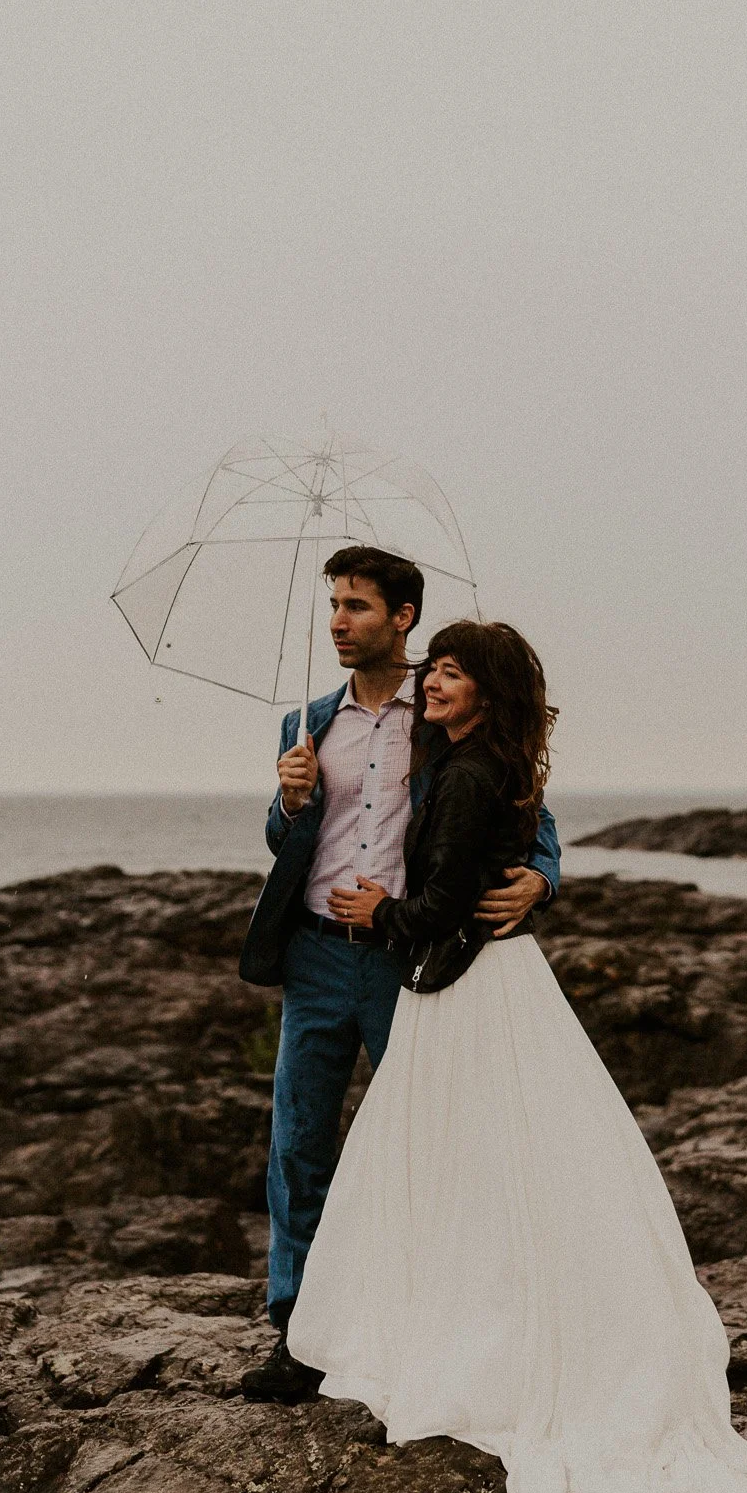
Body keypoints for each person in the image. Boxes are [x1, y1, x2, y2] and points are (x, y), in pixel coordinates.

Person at [285, 621, 747, 1493]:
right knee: (494, 1160)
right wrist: (294, 804)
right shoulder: (468, 755)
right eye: (431, 671)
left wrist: (383, 915)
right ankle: (475, 1317)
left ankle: (474, 1335)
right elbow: (455, 854)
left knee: (466, 1160)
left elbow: (446, 896)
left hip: (464, 982)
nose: (431, 683)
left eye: (449, 672)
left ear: (484, 690)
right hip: (487, 981)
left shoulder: (471, 772)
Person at [237, 549, 561, 1403]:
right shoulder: (305, 722)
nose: (338, 622)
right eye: (333, 606)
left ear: (402, 617)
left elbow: (522, 805)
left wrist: (544, 876)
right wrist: (291, 801)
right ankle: (296, 1332)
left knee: (421, 1150)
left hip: (405, 961)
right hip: (311, 953)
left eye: (356, 607)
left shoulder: (447, 707)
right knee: (299, 1143)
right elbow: (284, 840)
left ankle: (416, 1326)